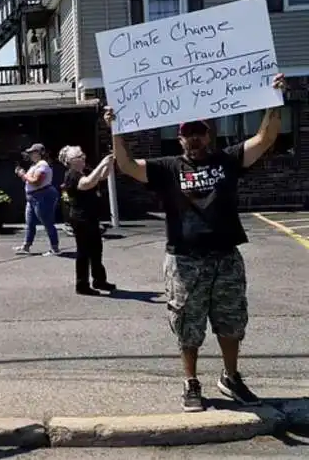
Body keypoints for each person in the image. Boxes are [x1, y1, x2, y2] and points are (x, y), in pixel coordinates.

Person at [105, 73, 287, 412]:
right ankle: (190, 382)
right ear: (179, 138)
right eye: (188, 133)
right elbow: (127, 166)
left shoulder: (228, 160)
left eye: (199, 131)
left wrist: (274, 100)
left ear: (209, 134)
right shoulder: (167, 168)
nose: (194, 138)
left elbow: (265, 138)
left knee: (231, 321)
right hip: (185, 259)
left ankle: (231, 377)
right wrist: (116, 128)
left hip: (226, 257)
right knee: (188, 323)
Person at [59, 146, 117, 295]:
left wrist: (109, 162)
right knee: (84, 251)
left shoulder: (85, 171)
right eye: (79, 156)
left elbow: (101, 176)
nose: (83, 158)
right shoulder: (71, 175)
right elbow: (86, 183)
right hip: (80, 218)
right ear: (71, 161)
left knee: (96, 250)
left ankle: (99, 280)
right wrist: (102, 163)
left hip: (91, 216)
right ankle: (82, 284)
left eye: (83, 154)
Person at [13, 143, 60, 256]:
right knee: (30, 223)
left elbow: (36, 181)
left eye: (33, 152)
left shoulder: (42, 164)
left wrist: (22, 174)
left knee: (47, 221)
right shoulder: (35, 165)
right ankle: (26, 246)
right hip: (33, 197)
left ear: (40, 153)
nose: (31, 155)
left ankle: (55, 248)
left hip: (42, 195)